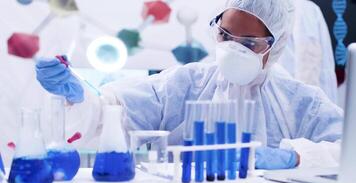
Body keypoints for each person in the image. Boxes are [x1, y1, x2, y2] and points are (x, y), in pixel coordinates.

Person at [35, 0, 343, 170]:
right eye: (225, 36)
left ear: (274, 48)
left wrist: (295, 157)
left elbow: (348, 153)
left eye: (249, 43)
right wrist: (78, 94)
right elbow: (112, 115)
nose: (233, 49)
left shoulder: (301, 102)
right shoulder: (183, 83)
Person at [278, 0, 338, 103]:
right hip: (275, 98)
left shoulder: (311, 10)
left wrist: (330, 104)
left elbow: (326, 69)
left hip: (309, 102)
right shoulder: (263, 7)